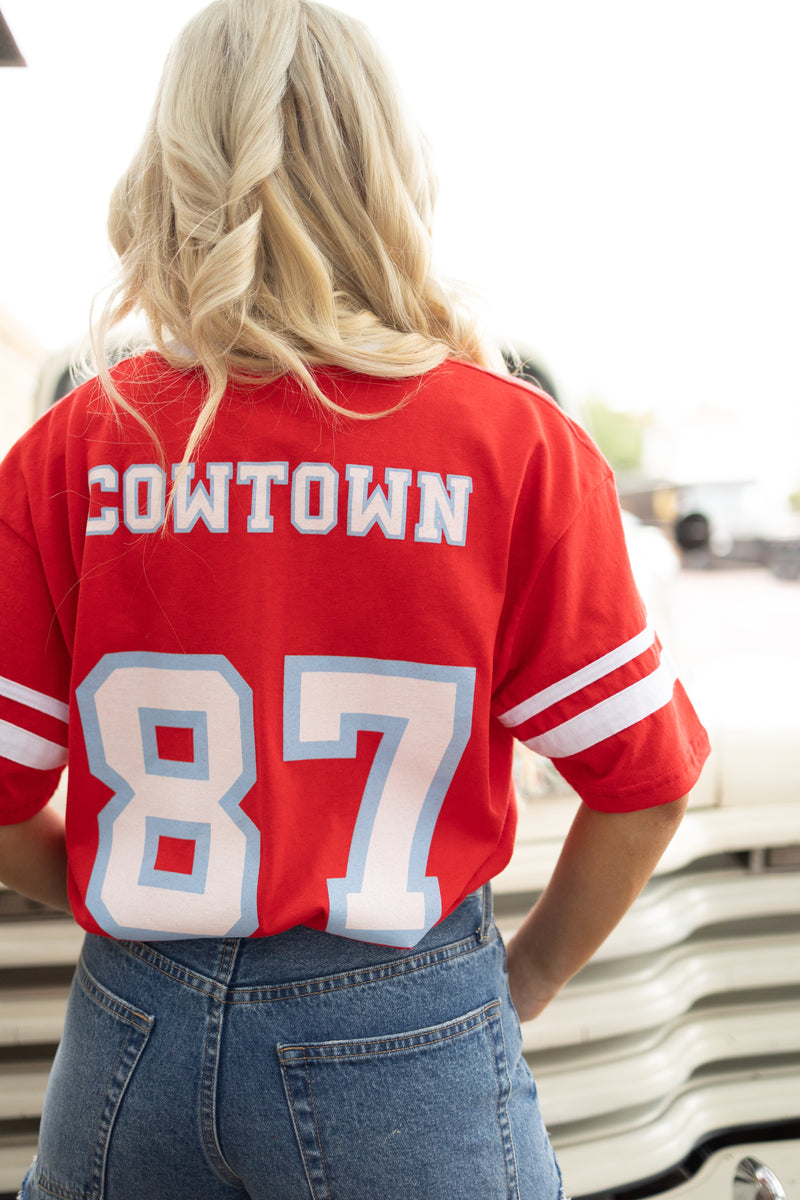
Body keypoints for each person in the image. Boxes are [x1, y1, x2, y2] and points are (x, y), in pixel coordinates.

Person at [0, 2, 710, 1197]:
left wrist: (141, 903)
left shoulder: (69, 453)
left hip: (130, 1031)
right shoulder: (511, 447)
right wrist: (515, 987)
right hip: (406, 1033)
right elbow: (643, 789)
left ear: (171, 167)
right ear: (384, 163)